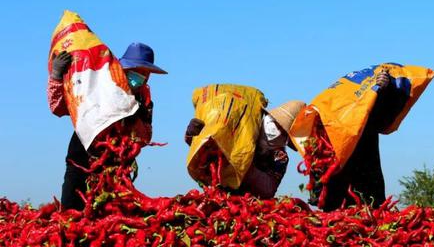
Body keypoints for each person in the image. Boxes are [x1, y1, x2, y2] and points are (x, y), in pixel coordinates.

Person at [48, 42, 166, 210]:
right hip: (82, 157)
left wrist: (133, 120)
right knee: (71, 212)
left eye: (145, 73)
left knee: (108, 216)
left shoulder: (144, 100)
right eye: (134, 70)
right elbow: (58, 107)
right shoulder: (98, 85)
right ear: (121, 67)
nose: (140, 76)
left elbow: (146, 136)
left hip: (115, 169)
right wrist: (56, 76)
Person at [321, 69, 409, 211]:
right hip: (337, 185)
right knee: (336, 218)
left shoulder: (367, 113)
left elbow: (387, 115)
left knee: (370, 213)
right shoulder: (330, 122)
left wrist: (387, 88)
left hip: (367, 174)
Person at [184, 100, 305, 199]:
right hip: (216, 193)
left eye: (283, 132)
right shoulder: (245, 129)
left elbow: (268, 189)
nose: (277, 132)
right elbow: (210, 150)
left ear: (287, 140)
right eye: (276, 123)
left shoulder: (280, 157)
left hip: (246, 203)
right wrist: (194, 136)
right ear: (267, 117)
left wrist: (242, 165)